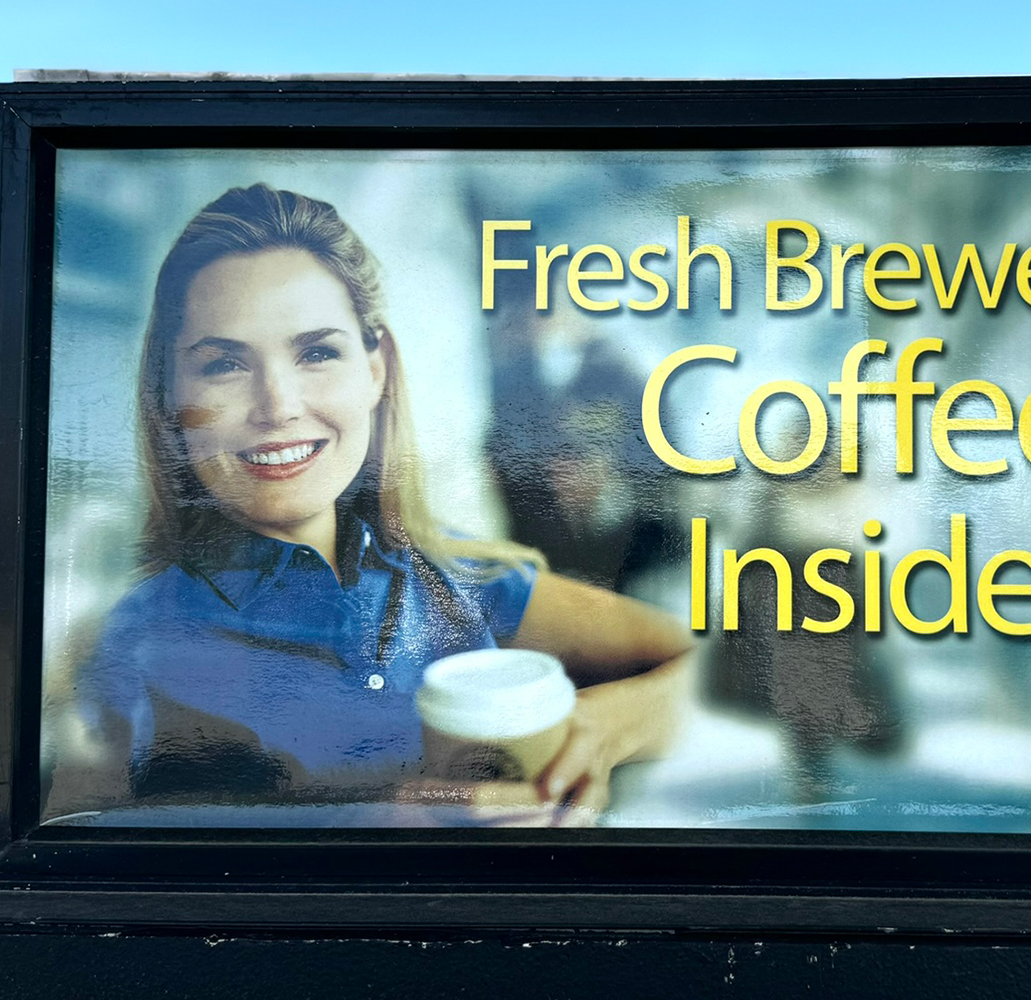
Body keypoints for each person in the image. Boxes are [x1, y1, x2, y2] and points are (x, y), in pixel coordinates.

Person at [43, 184, 691, 824]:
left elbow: (680, 665)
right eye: (224, 365)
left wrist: (595, 736)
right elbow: (72, 874)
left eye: (317, 352)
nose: (279, 405)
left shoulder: (463, 580)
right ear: (169, 397)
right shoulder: (135, 639)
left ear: (376, 370)